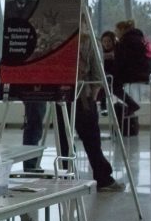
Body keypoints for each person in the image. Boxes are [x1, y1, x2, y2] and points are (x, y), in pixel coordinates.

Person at [22, 30, 125, 192]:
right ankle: (103, 177)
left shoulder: (55, 38)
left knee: (64, 140)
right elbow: (97, 73)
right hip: (82, 95)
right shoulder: (90, 41)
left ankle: (67, 175)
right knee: (91, 140)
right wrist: (93, 98)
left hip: (60, 95)